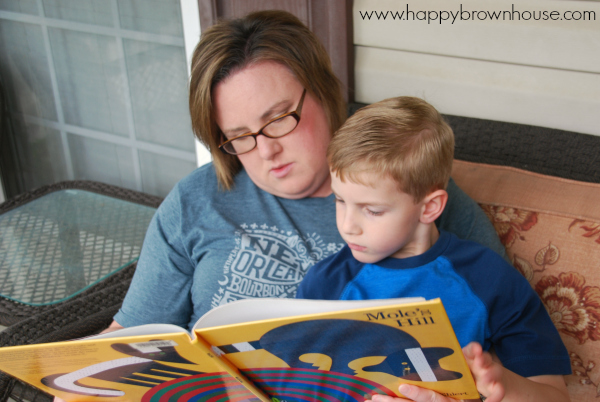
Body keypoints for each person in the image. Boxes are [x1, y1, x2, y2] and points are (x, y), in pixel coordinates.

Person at [296, 96, 571, 402]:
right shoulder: (324, 284)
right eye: (339, 200)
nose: (347, 225)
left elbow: (555, 395)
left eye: (372, 210)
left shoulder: (488, 278)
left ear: (430, 208)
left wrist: (503, 383)